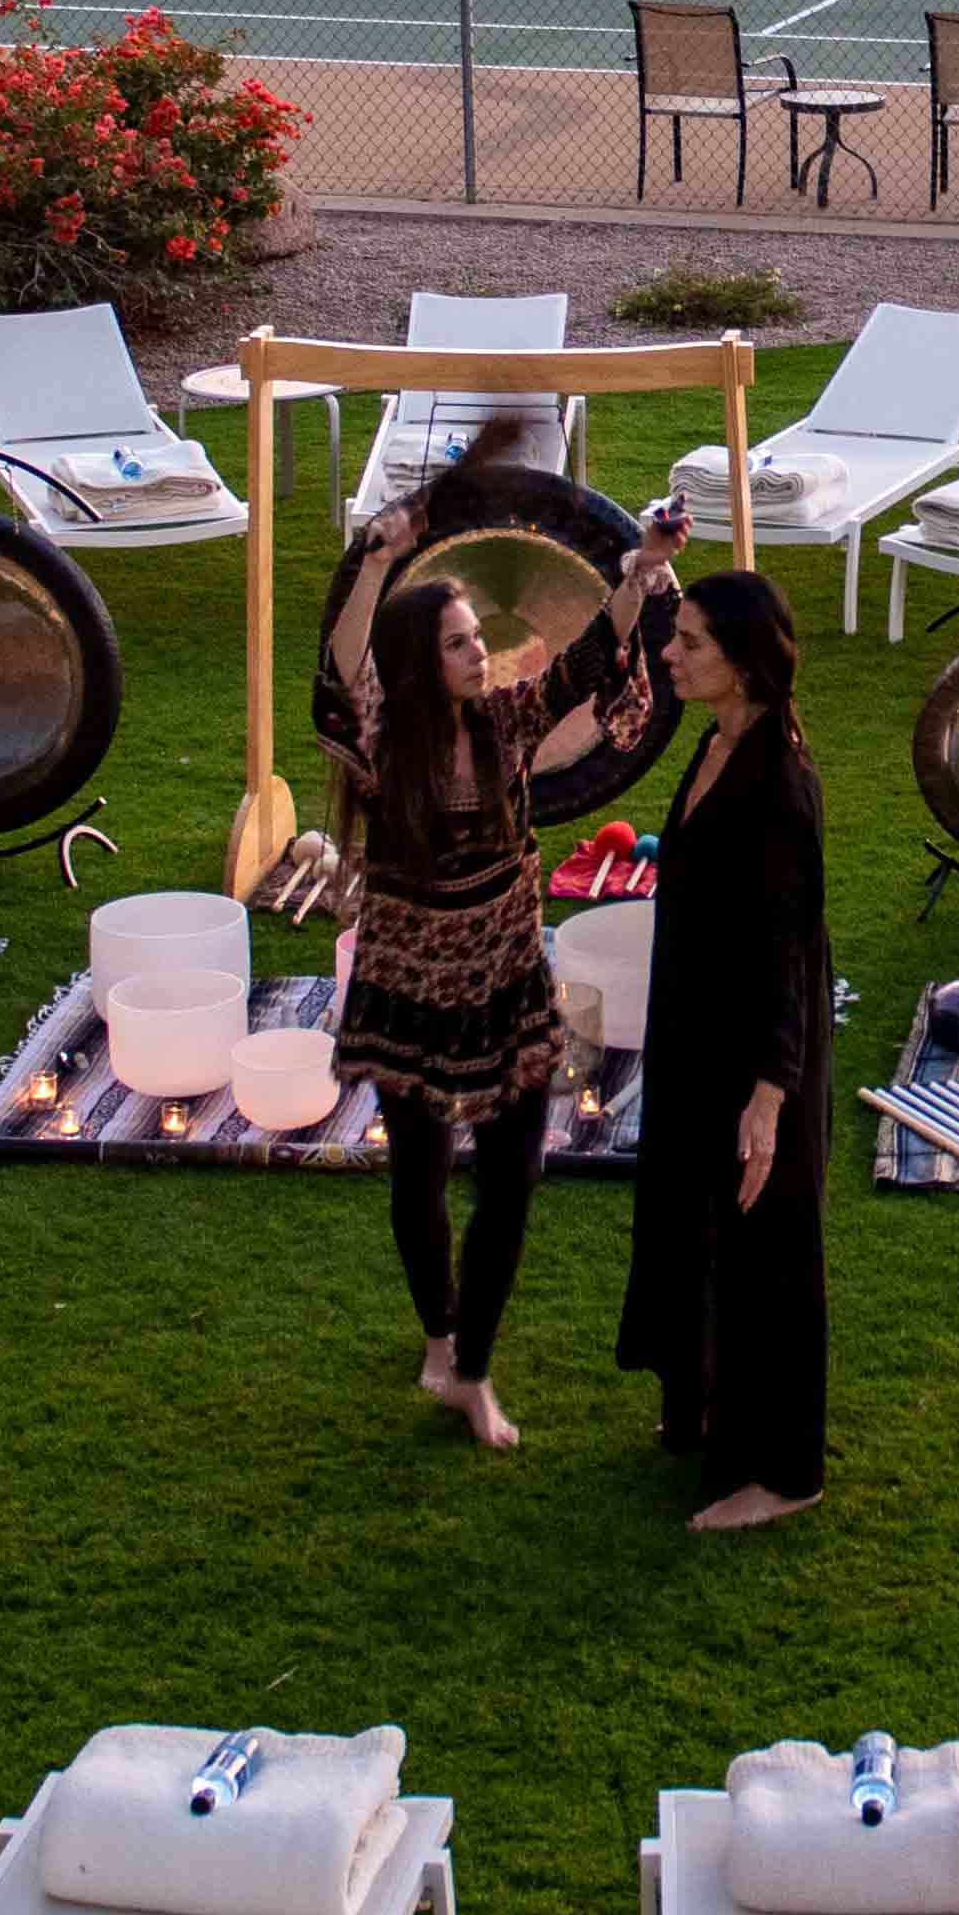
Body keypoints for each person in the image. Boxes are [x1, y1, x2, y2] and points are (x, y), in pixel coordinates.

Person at [318, 480, 674, 1455]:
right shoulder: (387, 741)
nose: (482, 652)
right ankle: (438, 1336)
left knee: (513, 1177)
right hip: (411, 986)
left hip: (509, 977)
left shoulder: (506, 720)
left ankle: (473, 1369)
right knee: (422, 1174)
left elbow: (588, 660)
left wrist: (640, 573)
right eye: (460, 642)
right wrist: (379, 560)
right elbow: (342, 665)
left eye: (479, 636)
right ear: (416, 663)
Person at [613, 565, 835, 1528]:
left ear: (742, 663)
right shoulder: (715, 745)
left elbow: (788, 950)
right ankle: (700, 1405)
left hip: (756, 1055)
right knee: (696, 1221)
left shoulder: (778, 785)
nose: (671, 651)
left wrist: (769, 1096)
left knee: (767, 1252)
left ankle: (784, 1473)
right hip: (696, 1038)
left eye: (691, 640)